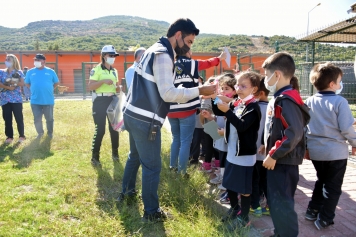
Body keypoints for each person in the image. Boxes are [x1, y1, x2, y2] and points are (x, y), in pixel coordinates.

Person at [118, 18, 216, 222]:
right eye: (189, 42)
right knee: (152, 166)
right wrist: (199, 90)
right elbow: (168, 94)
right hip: (145, 118)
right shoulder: (163, 56)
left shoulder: (153, 49)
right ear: (178, 35)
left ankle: (126, 193)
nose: (189, 47)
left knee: (134, 156)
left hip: (132, 113)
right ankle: (151, 212)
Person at [262, 52, 310, 237]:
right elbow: (279, 129)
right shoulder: (283, 96)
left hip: (282, 161)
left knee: (282, 204)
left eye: (267, 75)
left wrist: (273, 154)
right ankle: (280, 232)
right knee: (276, 202)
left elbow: (294, 132)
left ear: (277, 75)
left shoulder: (286, 100)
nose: (265, 79)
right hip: (281, 159)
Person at [304, 63, 356, 230]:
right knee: (333, 187)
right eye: (340, 81)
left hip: (316, 152)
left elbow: (304, 127)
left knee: (322, 180)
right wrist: (355, 143)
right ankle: (325, 218)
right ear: (332, 84)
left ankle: (312, 210)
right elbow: (347, 128)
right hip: (335, 153)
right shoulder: (340, 101)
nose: (341, 85)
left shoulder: (309, 101)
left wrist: (306, 147)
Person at [209, 71, 261, 231]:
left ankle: (244, 217)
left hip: (244, 155)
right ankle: (234, 208)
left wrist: (228, 111)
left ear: (254, 89)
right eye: (238, 84)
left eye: (244, 86)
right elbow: (219, 111)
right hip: (231, 153)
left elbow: (242, 126)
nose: (239, 88)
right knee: (229, 184)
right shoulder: (238, 103)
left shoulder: (253, 108)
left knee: (244, 189)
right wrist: (213, 97)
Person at [168, 49, 227, 174]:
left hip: (171, 108)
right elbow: (208, 63)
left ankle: (172, 167)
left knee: (176, 139)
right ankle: (182, 171)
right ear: (188, 52)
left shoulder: (169, 64)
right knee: (185, 141)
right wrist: (220, 57)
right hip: (187, 108)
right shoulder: (192, 63)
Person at [87, 45, 121, 167]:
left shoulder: (114, 71)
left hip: (112, 100)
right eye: (110, 55)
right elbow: (90, 87)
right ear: (103, 56)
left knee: (114, 129)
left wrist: (118, 88)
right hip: (100, 101)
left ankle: (115, 155)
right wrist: (102, 81)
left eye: (114, 56)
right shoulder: (96, 70)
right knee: (100, 129)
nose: (113, 58)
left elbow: (117, 87)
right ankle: (95, 157)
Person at [25, 54, 59, 139]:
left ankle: (50, 133)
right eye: (35, 60)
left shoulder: (51, 71)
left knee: (49, 118)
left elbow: (56, 82)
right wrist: (33, 89)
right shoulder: (30, 72)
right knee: (37, 118)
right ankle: (40, 133)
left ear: (44, 61)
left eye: (38, 60)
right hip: (35, 100)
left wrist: (51, 88)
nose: (36, 62)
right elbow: (27, 83)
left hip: (48, 100)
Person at [250, 77, 270, 217]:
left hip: (255, 151)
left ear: (260, 92)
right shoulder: (272, 106)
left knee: (254, 179)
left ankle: (255, 205)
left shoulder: (255, 107)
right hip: (268, 153)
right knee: (266, 179)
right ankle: (268, 206)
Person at [0, 54, 26, 143]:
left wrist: (13, 82)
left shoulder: (19, 72)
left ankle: (22, 136)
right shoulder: (1, 72)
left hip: (16, 99)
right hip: (4, 99)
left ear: (14, 61)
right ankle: (9, 137)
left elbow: (22, 83)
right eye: (6, 59)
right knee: (7, 118)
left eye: (9, 59)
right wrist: (7, 87)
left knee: (19, 117)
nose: (7, 61)